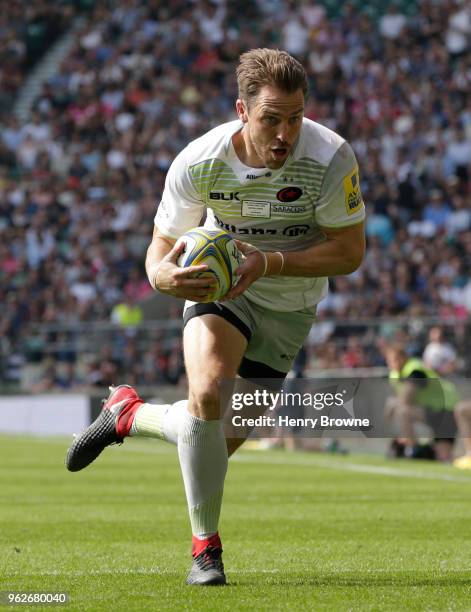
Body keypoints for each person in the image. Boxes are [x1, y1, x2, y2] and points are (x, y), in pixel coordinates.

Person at [66, 49, 366, 585]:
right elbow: (161, 246)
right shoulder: (198, 161)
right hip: (221, 284)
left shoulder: (330, 158)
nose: (285, 133)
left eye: (295, 117)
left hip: (290, 305)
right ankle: (205, 549)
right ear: (241, 110)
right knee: (208, 394)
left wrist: (270, 262)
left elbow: (349, 252)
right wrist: (159, 276)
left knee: (212, 439)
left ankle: (129, 414)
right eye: (271, 118)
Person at [384, 344, 471, 467]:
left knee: (443, 457)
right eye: (390, 361)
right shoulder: (395, 374)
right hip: (432, 411)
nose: (393, 364)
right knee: (400, 409)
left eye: (396, 359)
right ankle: (414, 448)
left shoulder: (415, 370)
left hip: (446, 409)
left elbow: (407, 398)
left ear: (404, 358)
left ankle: (413, 449)